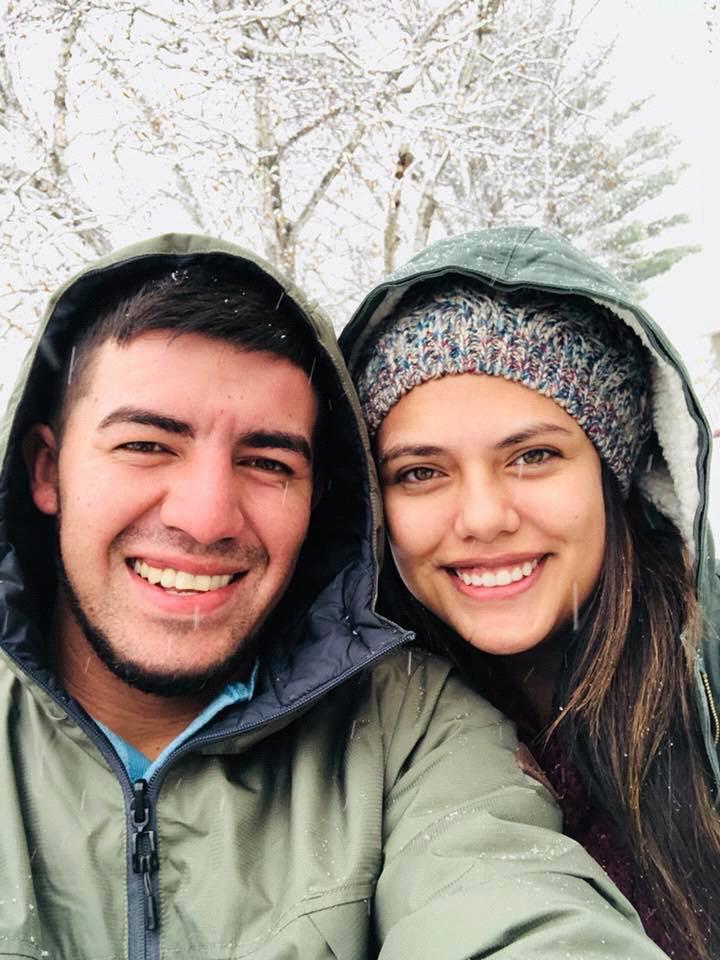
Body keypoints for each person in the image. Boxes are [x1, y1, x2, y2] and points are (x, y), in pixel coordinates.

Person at [0, 233, 673, 958]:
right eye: (147, 445)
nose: (205, 516)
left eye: (266, 461)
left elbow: (512, 904)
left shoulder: (414, 732)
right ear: (47, 470)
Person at [341, 225, 720, 960]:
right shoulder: (357, 731)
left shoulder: (701, 685)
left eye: (534, 456)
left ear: (611, 476)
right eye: (421, 471)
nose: (482, 517)